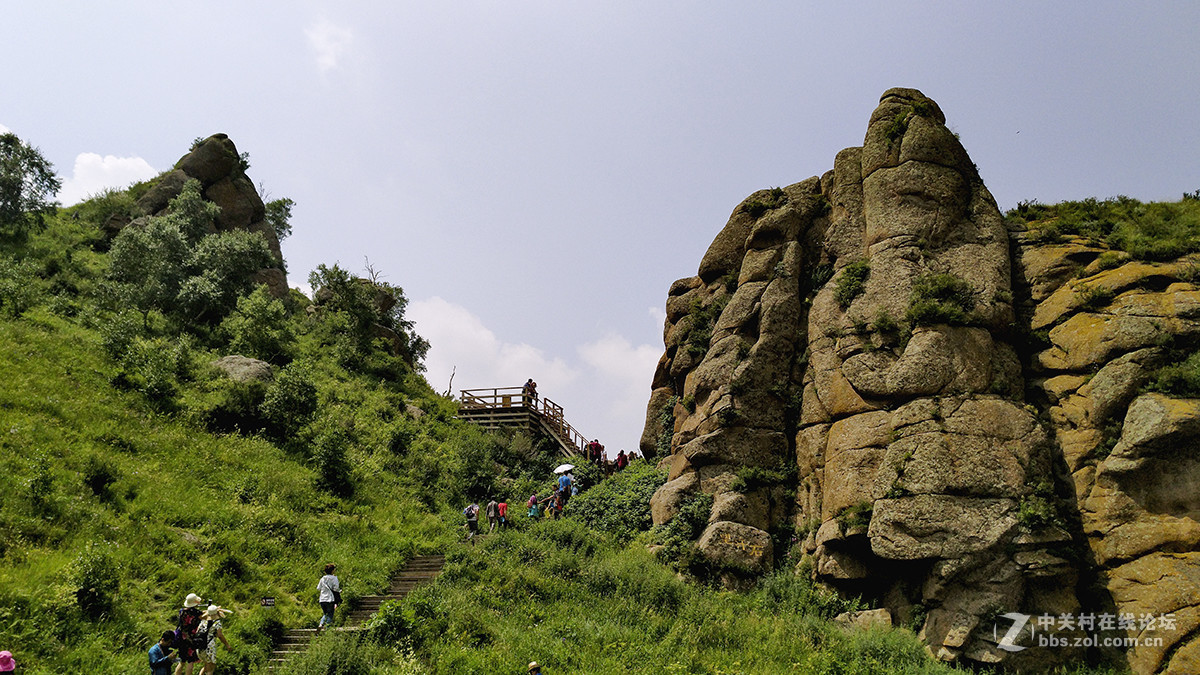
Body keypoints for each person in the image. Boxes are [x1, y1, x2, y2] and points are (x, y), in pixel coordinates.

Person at [174, 593, 205, 675]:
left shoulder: (182, 611)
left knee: (182, 661)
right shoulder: (196, 613)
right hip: (191, 639)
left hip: (182, 637)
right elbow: (204, 615)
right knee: (190, 661)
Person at [195, 605, 231, 675]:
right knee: (211, 667)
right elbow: (220, 635)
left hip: (199, 647)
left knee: (206, 666)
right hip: (209, 648)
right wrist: (227, 645)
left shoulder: (203, 621)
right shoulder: (217, 623)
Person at [316, 563, 341, 633]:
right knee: (330, 614)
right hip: (330, 599)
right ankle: (327, 628)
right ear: (332, 570)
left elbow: (318, 588)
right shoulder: (334, 578)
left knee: (325, 613)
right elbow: (336, 588)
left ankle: (321, 624)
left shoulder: (322, 579)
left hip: (322, 599)